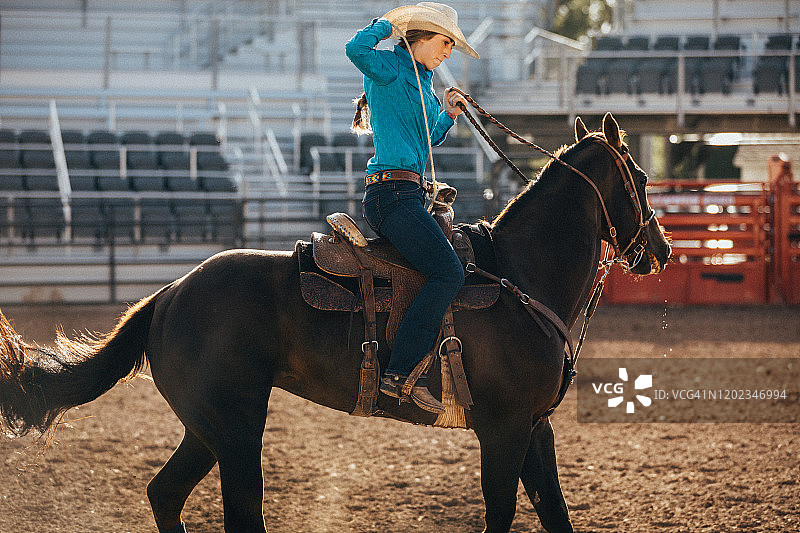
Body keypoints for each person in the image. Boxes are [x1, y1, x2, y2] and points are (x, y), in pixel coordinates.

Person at [345, 3, 478, 414]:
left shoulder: (424, 83)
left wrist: (449, 115)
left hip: (406, 195)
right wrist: (387, 25)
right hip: (392, 196)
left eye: (451, 47)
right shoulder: (387, 67)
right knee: (447, 271)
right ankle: (399, 373)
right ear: (418, 39)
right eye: (444, 43)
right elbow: (355, 49)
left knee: (448, 266)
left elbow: (426, 140)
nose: (447, 53)